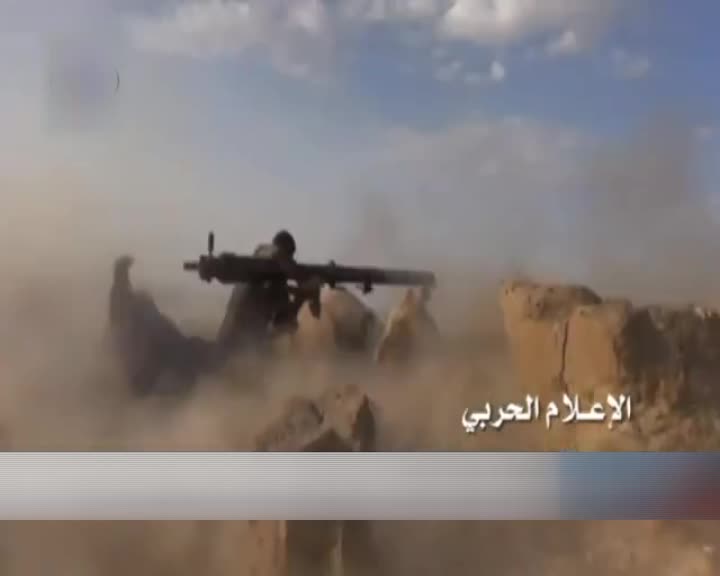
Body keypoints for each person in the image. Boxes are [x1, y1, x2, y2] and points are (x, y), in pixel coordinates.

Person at [216, 229, 322, 356]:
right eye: (291, 257)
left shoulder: (251, 272)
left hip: (224, 343)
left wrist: (302, 290)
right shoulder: (274, 281)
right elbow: (286, 324)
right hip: (240, 353)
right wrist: (301, 297)